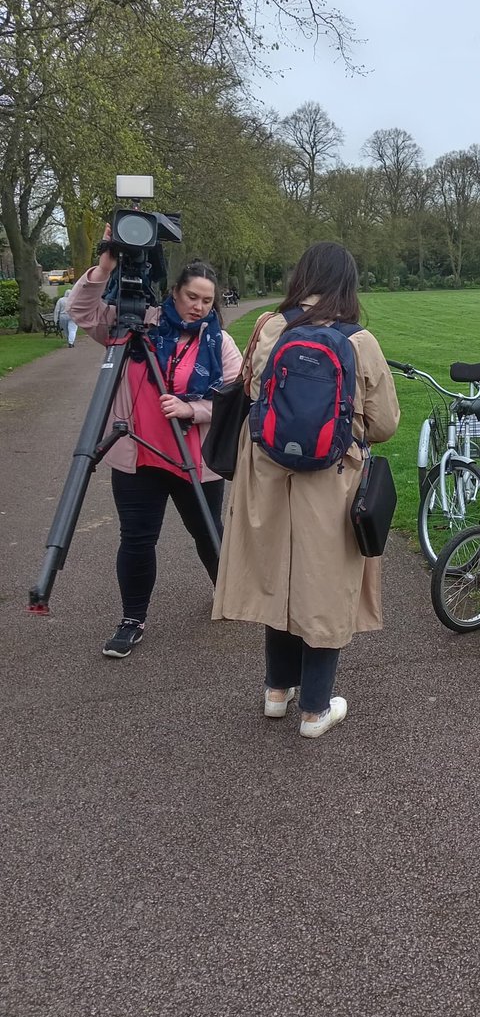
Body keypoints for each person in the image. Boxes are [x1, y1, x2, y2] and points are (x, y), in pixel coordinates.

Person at [212, 241, 400, 739]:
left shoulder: (269, 328)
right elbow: (384, 424)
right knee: (324, 586)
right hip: (330, 481)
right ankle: (316, 709)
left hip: (267, 474)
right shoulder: (360, 341)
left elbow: (252, 397)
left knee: (278, 577)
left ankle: (278, 692)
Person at [67, 252, 243, 656]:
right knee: (137, 539)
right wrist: (105, 268)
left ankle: (228, 593)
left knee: (207, 530)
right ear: (175, 293)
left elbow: (235, 400)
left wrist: (192, 410)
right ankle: (132, 619)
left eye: (206, 300)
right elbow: (82, 311)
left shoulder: (220, 342)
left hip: (193, 457)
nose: (198, 307)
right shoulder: (135, 325)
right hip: (138, 455)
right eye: (191, 297)